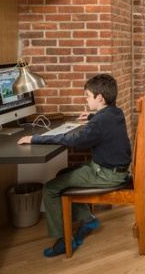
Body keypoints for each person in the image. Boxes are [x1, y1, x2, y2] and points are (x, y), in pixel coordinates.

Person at [17, 74, 131, 257]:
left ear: (99, 98)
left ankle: (63, 239)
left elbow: (74, 140)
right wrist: (93, 116)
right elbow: (101, 123)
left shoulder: (100, 122)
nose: (86, 99)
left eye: (88, 96)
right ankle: (87, 219)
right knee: (63, 173)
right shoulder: (114, 112)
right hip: (113, 169)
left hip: (106, 174)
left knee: (50, 189)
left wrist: (36, 138)